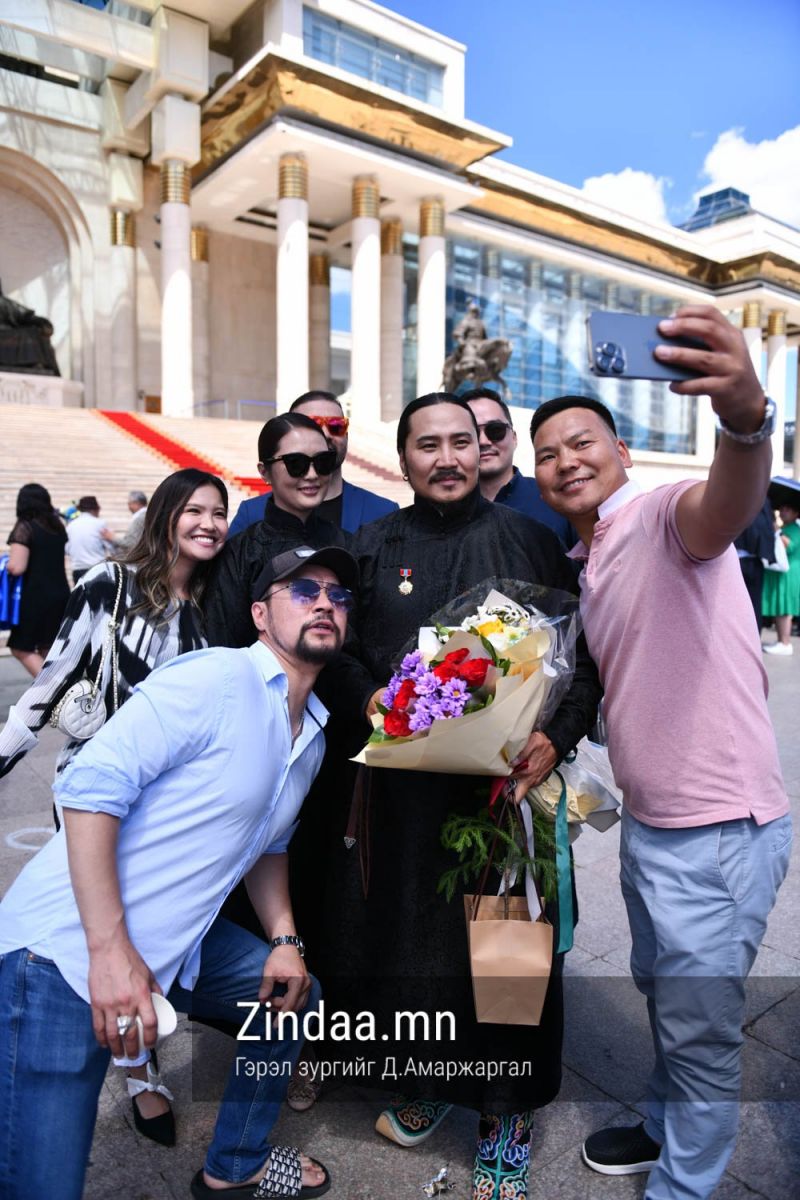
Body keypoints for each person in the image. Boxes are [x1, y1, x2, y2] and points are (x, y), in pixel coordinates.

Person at [529, 305, 792, 1200]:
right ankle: (660, 1124)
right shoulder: (590, 558)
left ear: (624, 452)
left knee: (701, 1031)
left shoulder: (654, 518)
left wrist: (745, 420)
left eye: (583, 443)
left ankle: (685, 1184)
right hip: (656, 823)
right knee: (663, 993)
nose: (567, 461)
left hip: (716, 830)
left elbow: (723, 505)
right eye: (548, 454)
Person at [0, 544, 355, 1200]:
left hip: (174, 948)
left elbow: (269, 846)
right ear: (259, 614)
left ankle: (236, 1164)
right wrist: (108, 953)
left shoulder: (313, 734)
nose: (325, 604)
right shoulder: (216, 677)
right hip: (61, 955)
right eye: (304, 591)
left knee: (293, 1000)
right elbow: (89, 789)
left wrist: (284, 941)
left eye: (338, 596)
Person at [314, 393, 602, 1200]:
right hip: (402, 798)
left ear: (483, 449)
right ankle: (432, 1078)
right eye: (427, 444)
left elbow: (583, 661)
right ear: (402, 457)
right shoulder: (371, 546)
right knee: (411, 951)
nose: (446, 458)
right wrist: (373, 698)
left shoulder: (530, 540)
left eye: (461, 441)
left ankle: (507, 1115)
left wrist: (556, 736)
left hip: (504, 799)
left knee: (509, 957)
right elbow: (333, 652)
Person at [0, 467, 229, 1145]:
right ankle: (136, 1074)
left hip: (168, 813)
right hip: (96, 799)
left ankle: (134, 1049)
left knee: (147, 940)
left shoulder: (213, 608)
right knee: (100, 936)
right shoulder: (110, 584)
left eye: (219, 512)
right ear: (164, 515)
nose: (209, 524)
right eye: (194, 510)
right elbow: (50, 683)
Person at [204, 412, 347, 648]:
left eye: (323, 462)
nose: (312, 475)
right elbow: (224, 646)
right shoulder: (239, 554)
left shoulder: (348, 544)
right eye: (296, 464)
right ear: (264, 472)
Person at [227, 391, 398, 536]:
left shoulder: (384, 512)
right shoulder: (251, 514)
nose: (325, 434)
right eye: (312, 425)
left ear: (347, 435)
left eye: (336, 426)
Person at [462, 385, 575, 544]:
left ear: (514, 438)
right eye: (472, 433)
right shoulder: (444, 509)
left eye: (495, 430)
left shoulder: (558, 496)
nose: (483, 441)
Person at [5, 482, 70, 677]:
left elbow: (17, 567)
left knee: (20, 647)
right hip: (60, 593)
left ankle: (53, 687)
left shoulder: (25, 526)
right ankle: (57, 686)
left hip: (35, 596)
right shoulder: (57, 526)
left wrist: (6, 564)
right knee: (47, 647)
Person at [762, 501, 800, 654]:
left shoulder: (795, 529)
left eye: (787, 509)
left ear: (796, 513)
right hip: (783, 573)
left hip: (788, 574)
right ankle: (781, 641)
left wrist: (777, 530)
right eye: (782, 509)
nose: (783, 512)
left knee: (784, 609)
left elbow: (789, 546)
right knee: (780, 607)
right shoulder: (787, 527)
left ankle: (785, 643)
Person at [733, 495, 775, 631]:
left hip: (736, 558)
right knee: (753, 602)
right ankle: (753, 636)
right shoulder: (762, 499)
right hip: (754, 558)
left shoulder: (735, 495)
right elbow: (768, 528)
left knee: (734, 603)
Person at [66, 494, 115, 582]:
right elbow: (111, 547)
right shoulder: (100, 524)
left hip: (78, 569)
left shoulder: (71, 526)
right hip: (97, 569)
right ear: (95, 509)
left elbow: (67, 549)